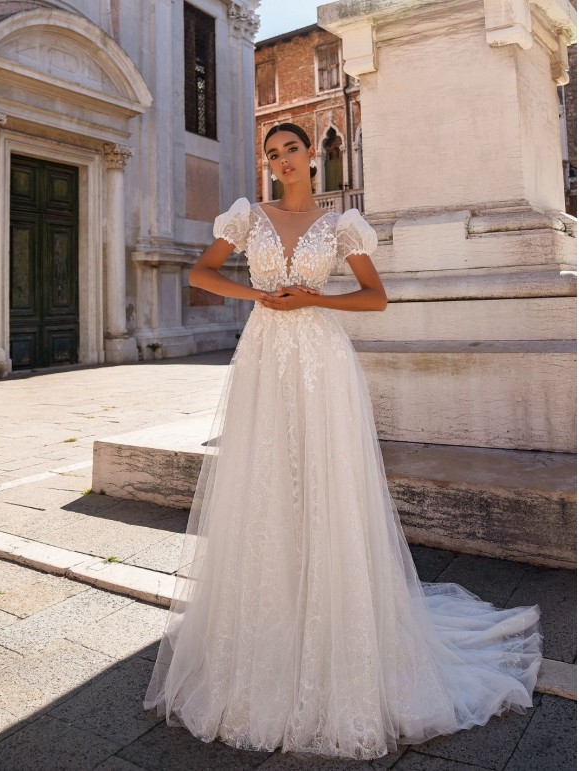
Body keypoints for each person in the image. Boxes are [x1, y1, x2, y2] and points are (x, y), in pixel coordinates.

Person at [143, 122, 543, 761]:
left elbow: (375, 298)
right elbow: (203, 275)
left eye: (291, 150)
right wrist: (257, 295)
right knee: (268, 479)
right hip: (265, 357)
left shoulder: (340, 227)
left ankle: (335, 617)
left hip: (323, 361)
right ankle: (273, 619)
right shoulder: (249, 219)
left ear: (310, 155)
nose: (282, 162)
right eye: (272, 155)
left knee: (325, 480)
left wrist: (314, 297)